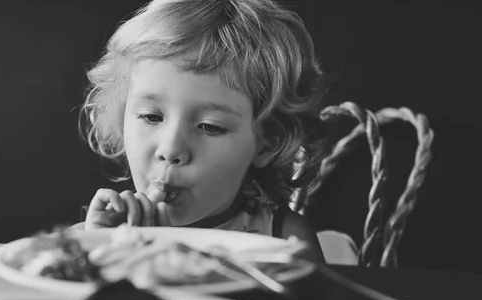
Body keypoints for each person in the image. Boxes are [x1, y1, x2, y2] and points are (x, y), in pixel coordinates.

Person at [77, 0, 330, 264]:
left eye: (210, 127)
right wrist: (100, 256)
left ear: (267, 143)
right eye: (152, 117)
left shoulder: (284, 243)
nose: (171, 149)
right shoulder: (93, 238)